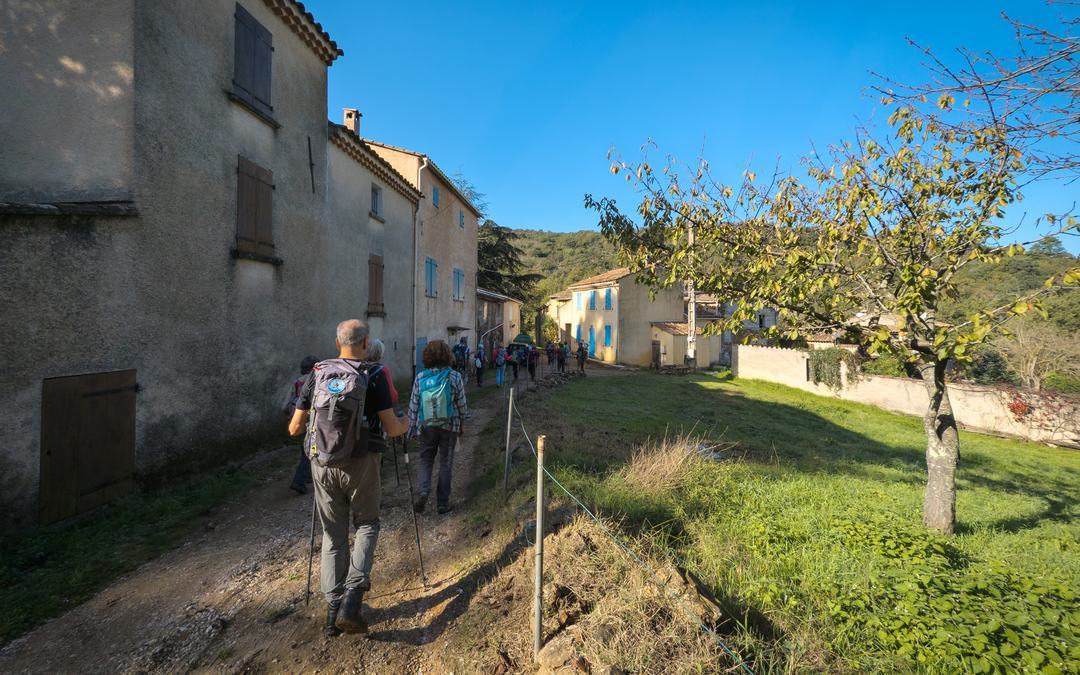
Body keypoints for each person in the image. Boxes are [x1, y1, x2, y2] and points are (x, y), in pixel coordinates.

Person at [288, 319, 409, 637]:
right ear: (366, 343)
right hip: (361, 462)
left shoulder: (318, 373)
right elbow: (393, 429)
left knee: (333, 536)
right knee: (368, 523)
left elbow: (294, 428)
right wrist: (407, 422)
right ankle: (353, 599)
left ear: (337, 341)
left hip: (322, 464)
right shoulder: (375, 374)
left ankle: (332, 612)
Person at [408, 340, 468, 515]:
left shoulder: (421, 377)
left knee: (426, 460)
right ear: (448, 355)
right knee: (445, 463)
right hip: (450, 426)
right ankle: (442, 503)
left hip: (426, 426)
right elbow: (462, 405)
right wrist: (462, 423)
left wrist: (412, 427)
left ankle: (424, 491)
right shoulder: (455, 376)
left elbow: (413, 404)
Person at [284, 355, 318, 494]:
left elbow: (284, 405)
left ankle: (308, 476)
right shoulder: (316, 381)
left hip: (298, 419)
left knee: (305, 447)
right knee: (310, 451)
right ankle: (299, 480)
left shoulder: (296, 383)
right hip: (313, 419)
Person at [366, 338, 398, 405]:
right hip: (376, 411)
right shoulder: (382, 370)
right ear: (380, 353)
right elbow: (393, 396)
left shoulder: (358, 367)